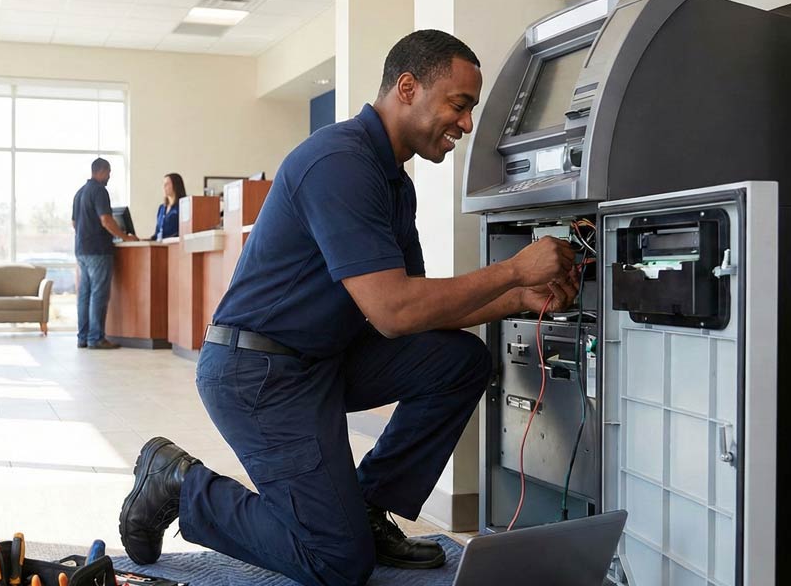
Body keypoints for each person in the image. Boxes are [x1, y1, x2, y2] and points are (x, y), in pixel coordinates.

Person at [118, 30, 579, 586]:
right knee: (337, 563)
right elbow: (394, 312)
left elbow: (418, 305)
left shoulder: (393, 182)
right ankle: (178, 482)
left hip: (322, 361)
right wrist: (513, 270)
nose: (467, 124)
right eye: (459, 105)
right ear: (407, 88)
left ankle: (365, 506)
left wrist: (515, 298)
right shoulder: (338, 161)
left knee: (460, 362)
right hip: (259, 373)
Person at [72, 157, 137, 350]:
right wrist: (125, 237)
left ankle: (83, 338)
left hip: (82, 249)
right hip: (98, 251)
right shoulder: (100, 190)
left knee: (84, 294)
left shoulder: (80, 192)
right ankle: (96, 338)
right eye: (108, 172)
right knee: (98, 294)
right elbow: (106, 220)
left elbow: (75, 224)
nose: (109, 176)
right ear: (101, 171)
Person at [149, 173, 187, 240]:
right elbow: (157, 233)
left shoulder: (183, 206)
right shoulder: (161, 208)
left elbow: (184, 231)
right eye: (163, 184)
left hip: (174, 246)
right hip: (159, 246)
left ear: (175, 185)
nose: (164, 187)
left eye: (167, 184)